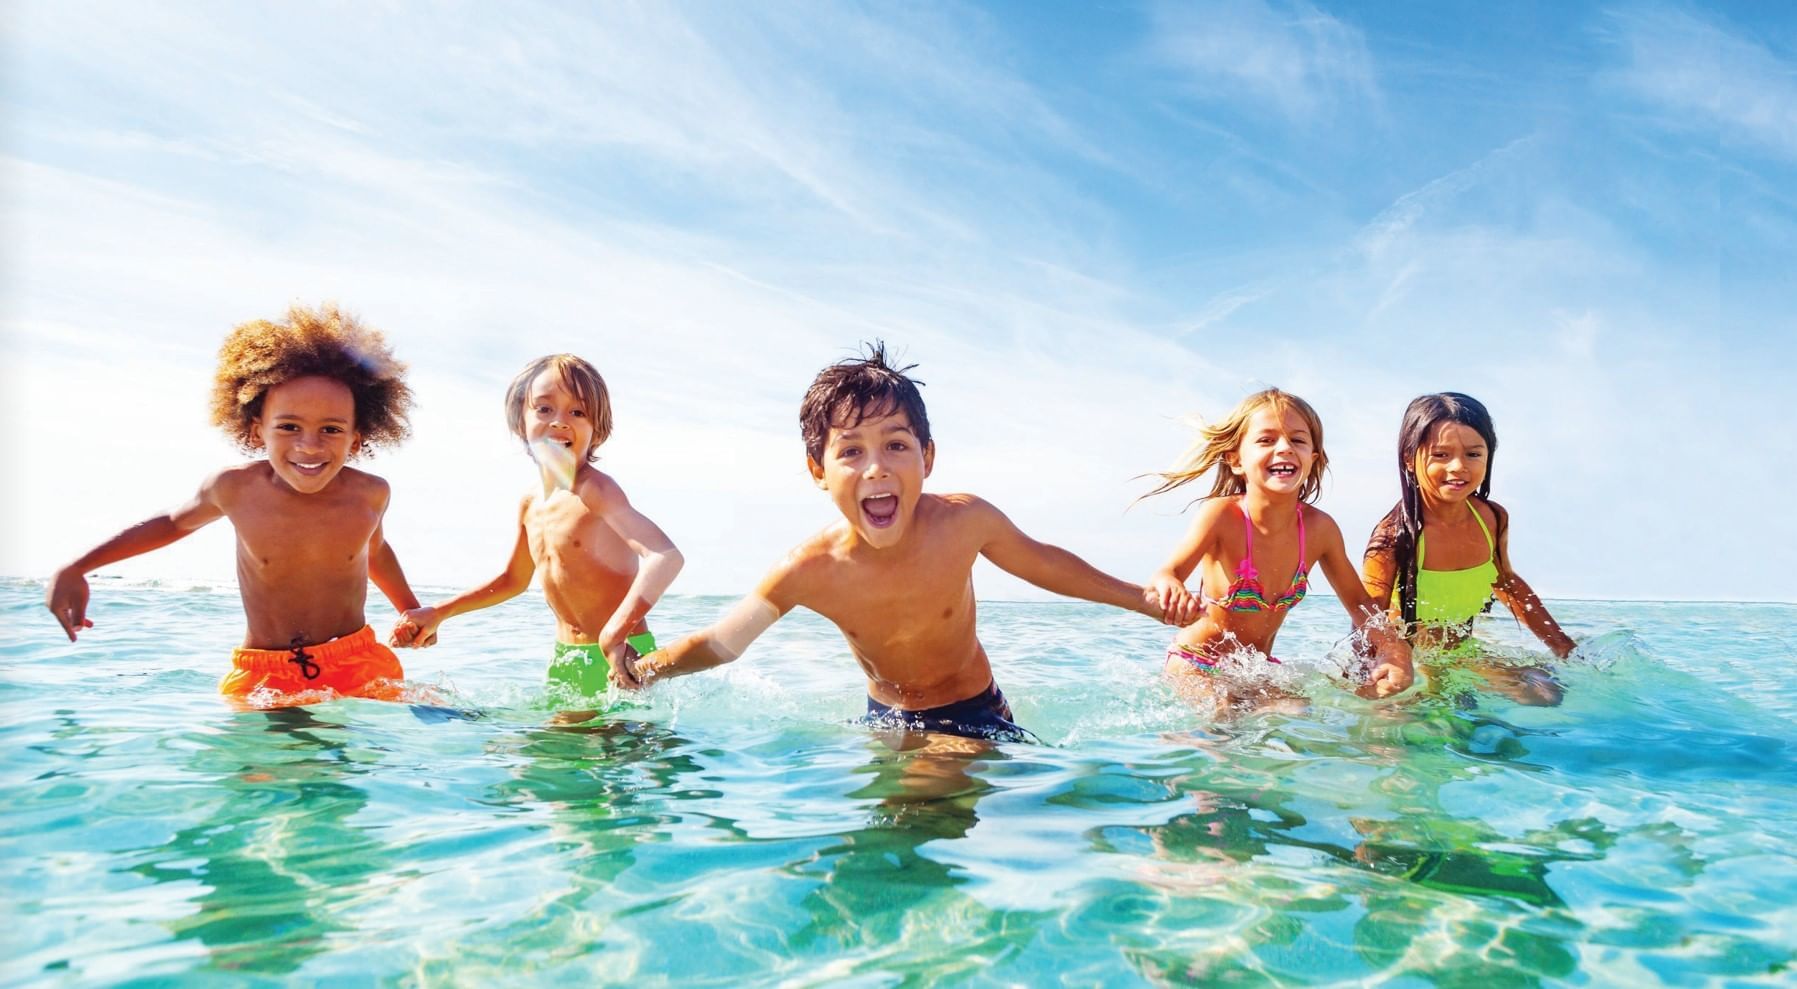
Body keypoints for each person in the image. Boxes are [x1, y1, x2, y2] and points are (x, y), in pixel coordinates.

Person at [624, 343, 1192, 741]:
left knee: (947, 803)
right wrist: (647, 669)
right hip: (888, 720)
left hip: (978, 711)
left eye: (896, 445)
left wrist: (1140, 598)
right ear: (817, 469)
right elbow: (723, 641)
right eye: (850, 451)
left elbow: (1043, 563)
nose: (875, 468)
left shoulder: (962, 522)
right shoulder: (808, 569)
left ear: (928, 457)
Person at [45, 303, 424, 705]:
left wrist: (410, 610)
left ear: (355, 439)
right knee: (260, 765)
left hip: (356, 658)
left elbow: (374, 549)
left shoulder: (370, 493)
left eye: (330, 429)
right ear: (258, 430)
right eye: (289, 426)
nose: (309, 445)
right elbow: (173, 524)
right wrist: (79, 566)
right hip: (266, 669)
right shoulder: (235, 488)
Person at [391, 354, 683, 705]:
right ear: (520, 421)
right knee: (545, 756)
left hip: (620, 657)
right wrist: (440, 612)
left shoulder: (596, 491)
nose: (560, 422)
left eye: (577, 412)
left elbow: (665, 556)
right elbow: (513, 580)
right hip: (566, 661)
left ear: (597, 429)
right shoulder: (531, 502)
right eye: (544, 409)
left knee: (611, 751)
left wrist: (614, 634)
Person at [1141, 387, 1412, 706]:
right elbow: (1169, 572)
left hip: (1256, 670)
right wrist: (1169, 585)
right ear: (1236, 459)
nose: (1284, 448)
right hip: (1195, 663)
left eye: (1297, 440)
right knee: (1223, 711)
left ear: (1312, 459)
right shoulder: (1221, 516)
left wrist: (1394, 650)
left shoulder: (1319, 529)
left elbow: (1359, 603)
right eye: (1266, 440)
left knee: (1298, 712)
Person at [1361, 393, 1574, 705]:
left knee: (1546, 693)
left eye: (1473, 454)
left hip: (1460, 654)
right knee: (1403, 737)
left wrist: (1562, 645)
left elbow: (1506, 583)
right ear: (1409, 457)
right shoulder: (1394, 537)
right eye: (1441, 455)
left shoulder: (1492, 517)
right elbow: (1367, 617)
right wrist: (1374, 674)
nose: (1459, 467)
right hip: (1407, 665)